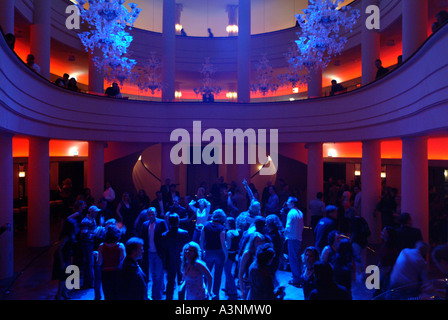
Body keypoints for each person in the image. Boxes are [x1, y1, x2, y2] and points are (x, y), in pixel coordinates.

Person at [141, 207, 167, 300]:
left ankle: (157, 296)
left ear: (156, 213)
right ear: (147, 215)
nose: (151, 216)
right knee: (153, 274)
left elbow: (165, 237)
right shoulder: (145, 224)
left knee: (159, 275)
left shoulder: (161, 223)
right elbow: (143, 238)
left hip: (158, 253)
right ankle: (154, 294)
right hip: (149, 253)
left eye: (152, 214)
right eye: (149, 214)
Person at [200, 209, 227, 300]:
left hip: (208, 252)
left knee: (206, 273)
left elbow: (201, 239)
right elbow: (223, 244)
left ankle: (204, 293)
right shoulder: (222, 228)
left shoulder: (206, 225)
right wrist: (226, 255)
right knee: (218, 275)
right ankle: (215, 295)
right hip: (219, 253)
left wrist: (202, 251)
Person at [161, 213, 190, 300]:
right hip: (182, 262)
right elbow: (187, 249)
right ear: (178, 221)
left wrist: (164, 264)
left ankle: (169, 299)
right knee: (182, 282)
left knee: (170, 283)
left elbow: (164, 251)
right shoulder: (184, 233)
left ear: (169, 222)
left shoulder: (165, 235)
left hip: (170, 262)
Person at [97, 225, 125, 300]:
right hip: (117, 273)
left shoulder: (101, 246)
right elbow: (124, 261)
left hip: (105, 273)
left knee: (108, 295)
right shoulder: (120, 246)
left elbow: (99, 262)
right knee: (117, 295)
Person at [52, 218, 76, 300]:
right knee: (63, 276)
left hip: (66, 255)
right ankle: (59, 295)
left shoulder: (71, 234)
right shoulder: (66, 236)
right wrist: (62, 261)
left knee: (66, 275)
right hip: (62, 256)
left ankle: (63, 293)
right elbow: (60, 249)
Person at [238, 232, 266, 299]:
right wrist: (242, 290)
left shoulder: (263, 253)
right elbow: (241, 273)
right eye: (257, 241)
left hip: (260, 284)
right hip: (249, 284)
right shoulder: (247, 254)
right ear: (253, 242)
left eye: (261, 241)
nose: (260, 243)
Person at [284, 197, 304, 287]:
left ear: (292, 203)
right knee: (298, 258)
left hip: (292, 238)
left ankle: (296, 279)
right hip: (299, 238)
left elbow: (288, 227)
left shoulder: (291, 213)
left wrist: (284, 234)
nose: (287, 203)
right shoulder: (300, 212)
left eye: (288, 202)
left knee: (293, 259)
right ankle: (300, 276)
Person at [79, 205, 101, 289]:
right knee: (89, 263)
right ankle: (88, 283)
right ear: (91, 212)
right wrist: (95, 234)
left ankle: (90, 282)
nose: (96, 213)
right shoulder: (85, 221)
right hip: (87, 245)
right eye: (95, 212)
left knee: (90, 263)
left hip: (91, 244)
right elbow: (84, 235)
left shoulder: (92, 219)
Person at [223, 216, 240, 299]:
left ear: (229, 224)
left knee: (228, 272)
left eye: (226, 222)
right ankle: (227, 287)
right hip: (235, 254)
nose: (224, 224)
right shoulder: (237, 231)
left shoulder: (229, 233)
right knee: (229, 271)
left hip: (229, 254)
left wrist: (223, 243)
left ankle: (233, 290)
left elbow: (228, 247)